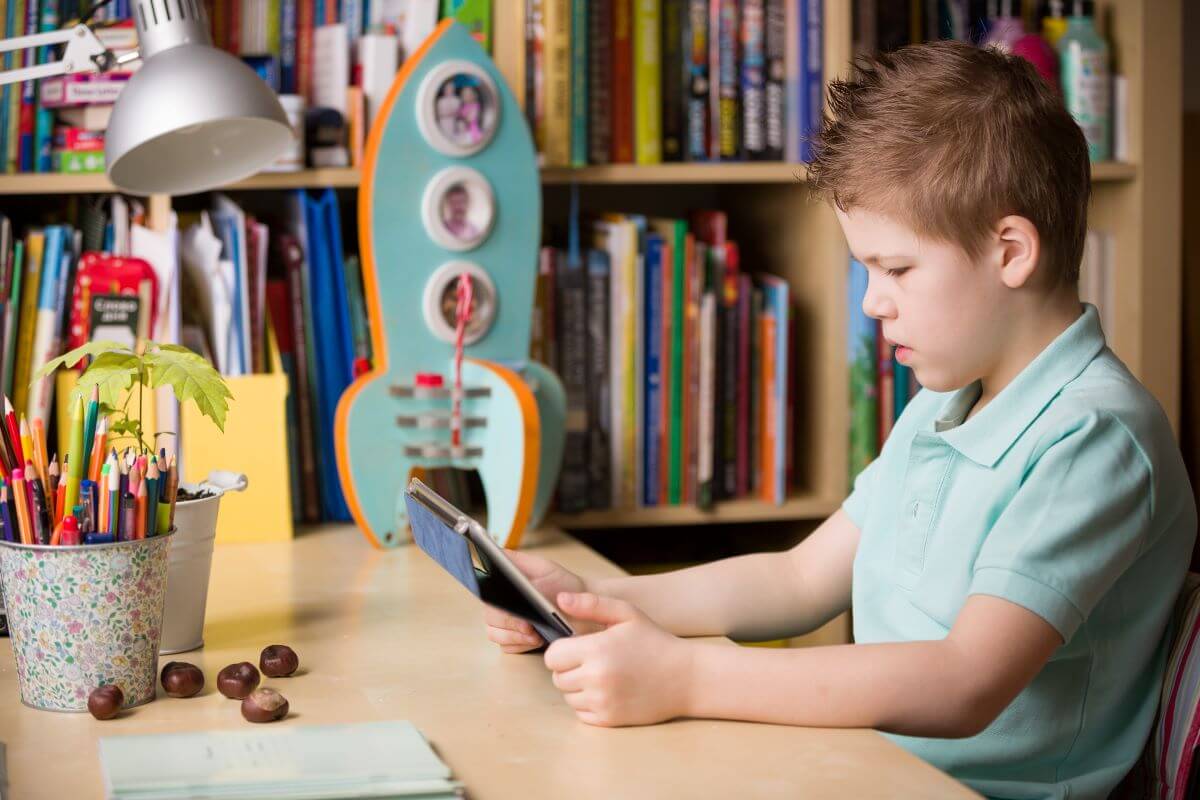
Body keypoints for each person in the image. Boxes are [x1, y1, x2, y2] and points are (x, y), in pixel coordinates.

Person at [483, 40, 1197, 800]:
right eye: (865, 270)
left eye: (896, 269)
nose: (871, 302)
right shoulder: (944, 404)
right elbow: (799, 577)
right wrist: (591, 601)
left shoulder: (1096, 440)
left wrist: (688, 676)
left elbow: (964, 683)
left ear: (1010, 251)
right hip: (869, 771)